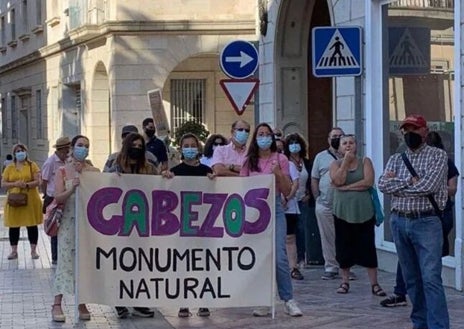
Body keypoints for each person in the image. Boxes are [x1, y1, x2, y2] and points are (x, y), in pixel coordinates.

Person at [378, 114, 450, 329]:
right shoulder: (396, 158)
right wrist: (409, 180)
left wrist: (397, 185)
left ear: (425, 131)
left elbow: (428, 186)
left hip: (426, 222)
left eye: (414, 129)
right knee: (412, 279)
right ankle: (420, 323)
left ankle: (438, 326)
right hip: (399, 221)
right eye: (406, 130)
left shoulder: (437, 156)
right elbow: (382, 184)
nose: (410, 134)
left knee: (430, 278)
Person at [240, 123, 302, 317]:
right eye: (261, 134)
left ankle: (288, 299)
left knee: (279, 256)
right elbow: (241, 187)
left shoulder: (281, 159)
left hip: (273, 208)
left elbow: (287, 190)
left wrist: (277, 174)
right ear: (255, 138)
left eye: (267, 134)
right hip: (253, 211)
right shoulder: (248, 161)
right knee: (260, 256)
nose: (264, 137)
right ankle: (264, 300)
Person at [161, 133, 215, 318]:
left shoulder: (207, 171)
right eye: (187, 145)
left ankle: (203, 302)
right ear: (182, 148)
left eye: (193, 145)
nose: (190, 148)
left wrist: (214, 181)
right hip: (182, 226)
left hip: (204, 226)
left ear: (198, 149)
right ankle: (183, 303)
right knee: (183, 264)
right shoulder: (175, 172)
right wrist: (165, 179)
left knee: (202, 264)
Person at [104, 132, 157, 319]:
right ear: (127, 146)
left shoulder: (149, 168)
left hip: (142, 224)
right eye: (133, 145)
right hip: (119, 224)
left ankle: (138, 302)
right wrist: (112, 177)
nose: (137, 148)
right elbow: (101, 187)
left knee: (140, 263)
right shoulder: (114, 164)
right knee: (120, 262)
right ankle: (119, 301)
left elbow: (159, 189)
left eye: (140, 145)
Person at [51, 135, 100, 322]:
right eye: (80, 145)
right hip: (69, 224)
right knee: (65, 262)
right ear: (72, 147)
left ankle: (81, 303)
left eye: (86, 146)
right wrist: (72, 188)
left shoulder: (92, 170)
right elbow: (58, 197)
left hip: (87, 225)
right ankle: (56, 303)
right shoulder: (62, 171)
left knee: (83, 263)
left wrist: (86, 174)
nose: (83, 149)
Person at [329, 134, 386, 296]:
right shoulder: (335, 164)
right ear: (339, 147)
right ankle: (344, 281)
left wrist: (347, 188)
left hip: (364, 212)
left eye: (351, 143)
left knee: (367, 247)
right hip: (342, 212)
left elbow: (368, 182)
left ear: (357, 145)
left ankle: (374, 284)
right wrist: (346, 163)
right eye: (344, 143)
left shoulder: (365, 161)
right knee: (343, 247)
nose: (348, 146)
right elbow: (338, 180)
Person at [311, 127, 356, 280]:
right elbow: (314, 178)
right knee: (327, 237)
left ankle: (346, 267)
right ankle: (331, 267)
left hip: (345, 204)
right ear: (329, 139)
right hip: (325, 204)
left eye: (340, 136)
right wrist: (317, 197)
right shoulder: (320, 157)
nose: (337, 139)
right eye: (334, 136)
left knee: (346, 236)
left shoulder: (350, 157)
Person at [1, 143, 43, 260]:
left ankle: (33, 251)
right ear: (14, 154)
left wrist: (26, 184)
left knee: (31, 225)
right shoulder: (10, 167)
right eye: (18, 151)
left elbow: (38, 181)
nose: (20, 153)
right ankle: (14, 251)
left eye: (22, 150)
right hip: (14, 200)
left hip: (30, 199)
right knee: (14, 225)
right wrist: (14, 184)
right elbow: (3, 183)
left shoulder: (32, 165)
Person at [284, 133, 315, 269]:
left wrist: (309, 194)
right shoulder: (285, 161)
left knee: (302, 229)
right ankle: (291, 260)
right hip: (289, 200)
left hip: (302, 200)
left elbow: (311, 179)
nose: (294, 145)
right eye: (291, 143)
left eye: (296, 142)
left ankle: (302, 257)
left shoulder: (306, 162)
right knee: (290, 232)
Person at [41, 136, 71, 265]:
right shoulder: (50, 162)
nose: (68, 153)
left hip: (66, 196)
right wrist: (46, 195)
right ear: (61, 150)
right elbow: (44, 180)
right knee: (55, 226)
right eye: (66, 150)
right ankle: (55, 257)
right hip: (53, 197)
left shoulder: (68, 161)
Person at [281, 136, 303, 280]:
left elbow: (295, 183)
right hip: (270, 206)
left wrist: (287, 197)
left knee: (290, 237)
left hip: (289, 206)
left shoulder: (289, 165)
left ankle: (293, 267)